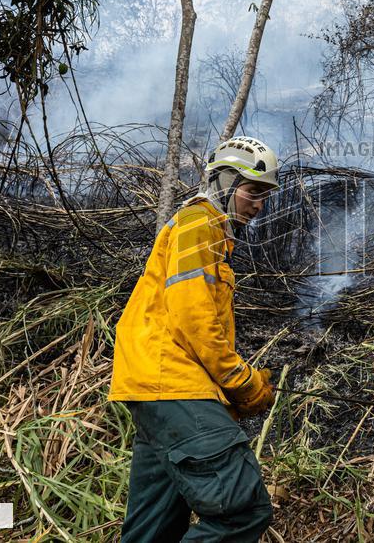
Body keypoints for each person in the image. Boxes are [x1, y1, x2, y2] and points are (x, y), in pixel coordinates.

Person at [109, 136, 281, 542]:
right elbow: (194, 318)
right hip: (173, 385)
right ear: (223, 182)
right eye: (253, 192)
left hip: (153, 389)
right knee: (243, 511)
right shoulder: (199, 223)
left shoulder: (207, 231)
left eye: (264, 196)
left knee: (152, 529)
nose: (259, 205)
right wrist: (243, 382)